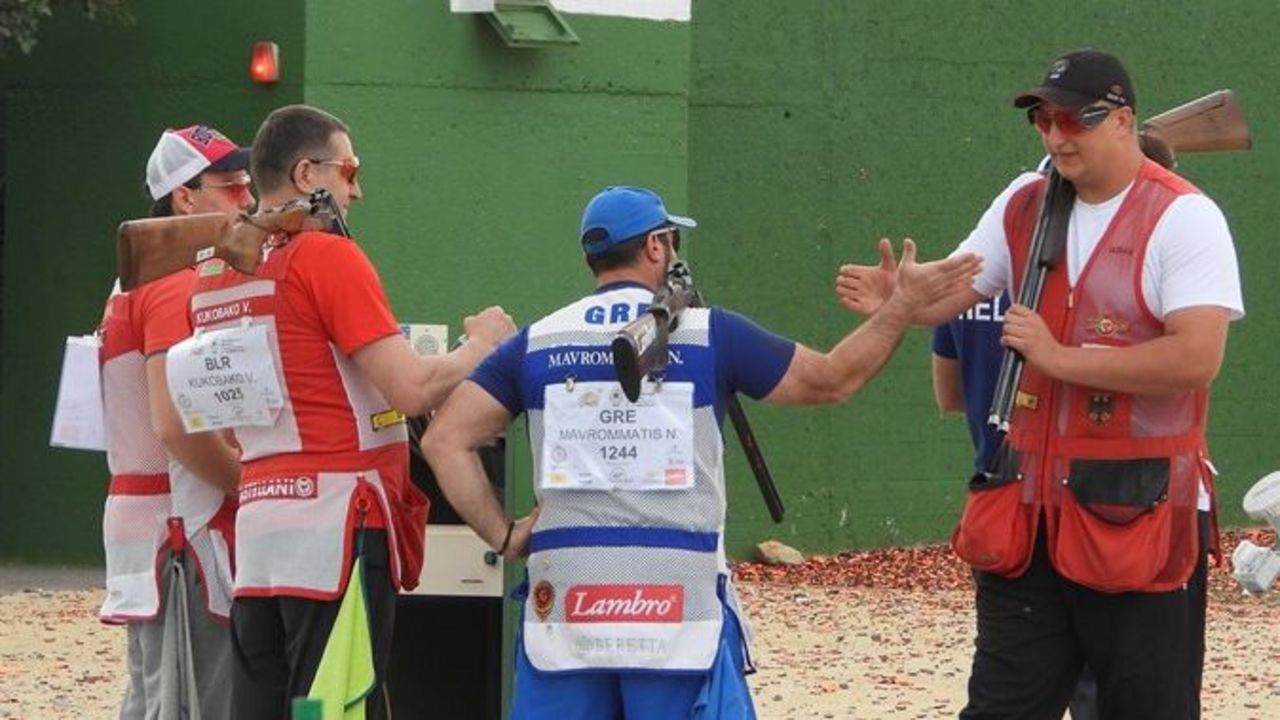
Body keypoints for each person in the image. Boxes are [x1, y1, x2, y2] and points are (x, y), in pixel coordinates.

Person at [421, 185, 981, 719]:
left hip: (565, 613)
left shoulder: (537, 341)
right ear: (655, 246)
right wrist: (901, 308)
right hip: (678, 614)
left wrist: (504, 533)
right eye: (672, 241)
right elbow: (832, 379)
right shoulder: (711, 334)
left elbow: (445, 440)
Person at [836, 49, 1242, 719]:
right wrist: (901, 298)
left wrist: (1061, 358)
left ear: (1123, 121)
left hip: (1139, 520)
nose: (1055, 135)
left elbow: (1197, 358)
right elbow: (953, 289)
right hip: (1028, 518)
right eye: (1043, 120)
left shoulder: (1186, 218)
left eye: (1073, 118)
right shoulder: (1025, 203)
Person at [177, 104, 515, 720]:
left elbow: (226, 420)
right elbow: (412, 389)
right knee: (336, 708)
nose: (357, 189)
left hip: (257, 536)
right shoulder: (327, 257)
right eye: (350, 170)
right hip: (337, 529)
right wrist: (482, 345)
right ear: (308, 175)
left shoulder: (214, 278)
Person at [100, 124, 252, 719]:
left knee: (154, 699)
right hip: (182, 527)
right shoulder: (174, 282)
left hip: (157, 526)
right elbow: (175, 423)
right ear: (184, 198)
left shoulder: (136, 280)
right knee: (196, 703)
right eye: (232, 187)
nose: (247, 199)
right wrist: (247, 481)